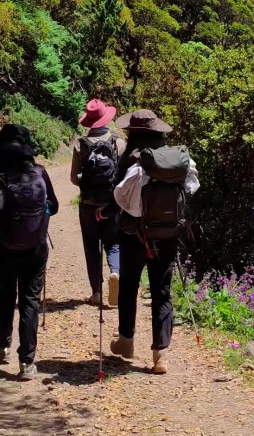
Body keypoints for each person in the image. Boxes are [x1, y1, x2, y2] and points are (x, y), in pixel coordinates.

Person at [102, 109, 195, 375]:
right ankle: (160, 354)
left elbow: (118, 198)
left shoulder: (132, 160)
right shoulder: (176, 162)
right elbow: (191, 190)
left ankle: (126, 341)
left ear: (133, 134)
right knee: (162, 292)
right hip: (166, 235)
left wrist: (105, 213)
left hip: (133, 236)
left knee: (129, 286)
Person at [0, 124, 58, 381]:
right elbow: (54, 205)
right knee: (30, 300)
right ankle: (27, 361)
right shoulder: (40, 172)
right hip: (35, 246)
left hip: (4, 243)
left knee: (6, 293)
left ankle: (3, 343)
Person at [70, 99, 126, 307]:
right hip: (112, 204)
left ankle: (96, 293)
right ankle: (115, 272)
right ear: (106, 119)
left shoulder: (80, 144)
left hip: (87, 204)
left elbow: (74, 179)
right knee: (114, 243)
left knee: (91, 247)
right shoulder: (118, 143)